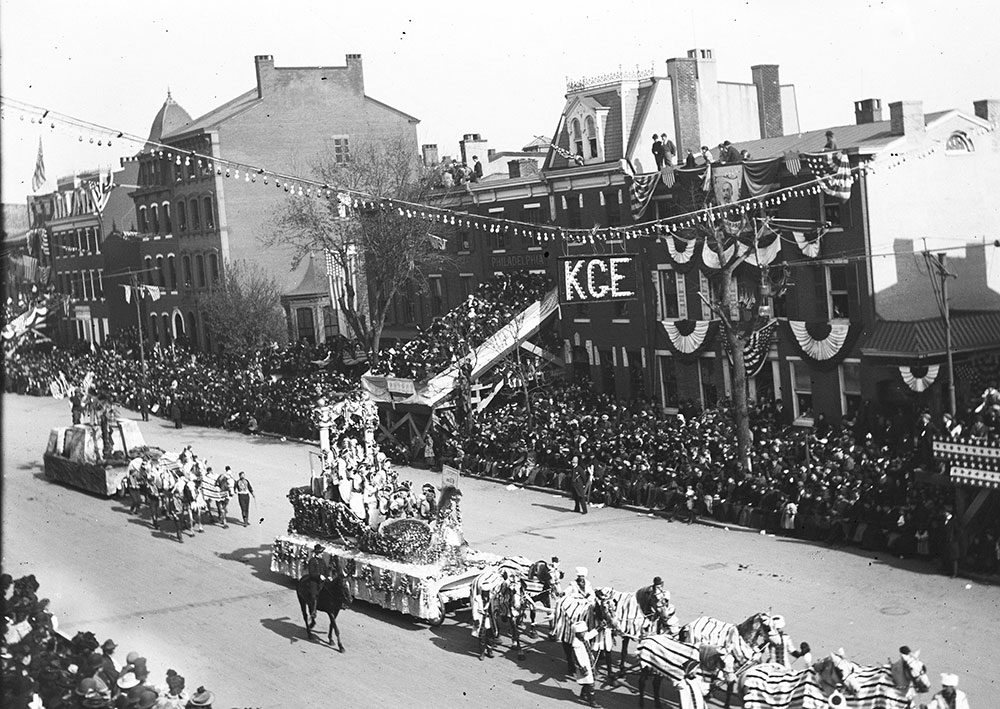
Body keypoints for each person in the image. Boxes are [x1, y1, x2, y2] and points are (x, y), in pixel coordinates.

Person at [571, 620, 599, 706]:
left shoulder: (584, 637)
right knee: (590, 684)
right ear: (578, 633)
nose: (584, 633)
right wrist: (582, 668)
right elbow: (577, 658)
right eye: (582, 632)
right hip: (584, 667)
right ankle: (592, 702)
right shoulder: (576, 644)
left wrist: (600, 627)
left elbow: (591, 634)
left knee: (589, 681)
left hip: (590, 663)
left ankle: (583, 694)